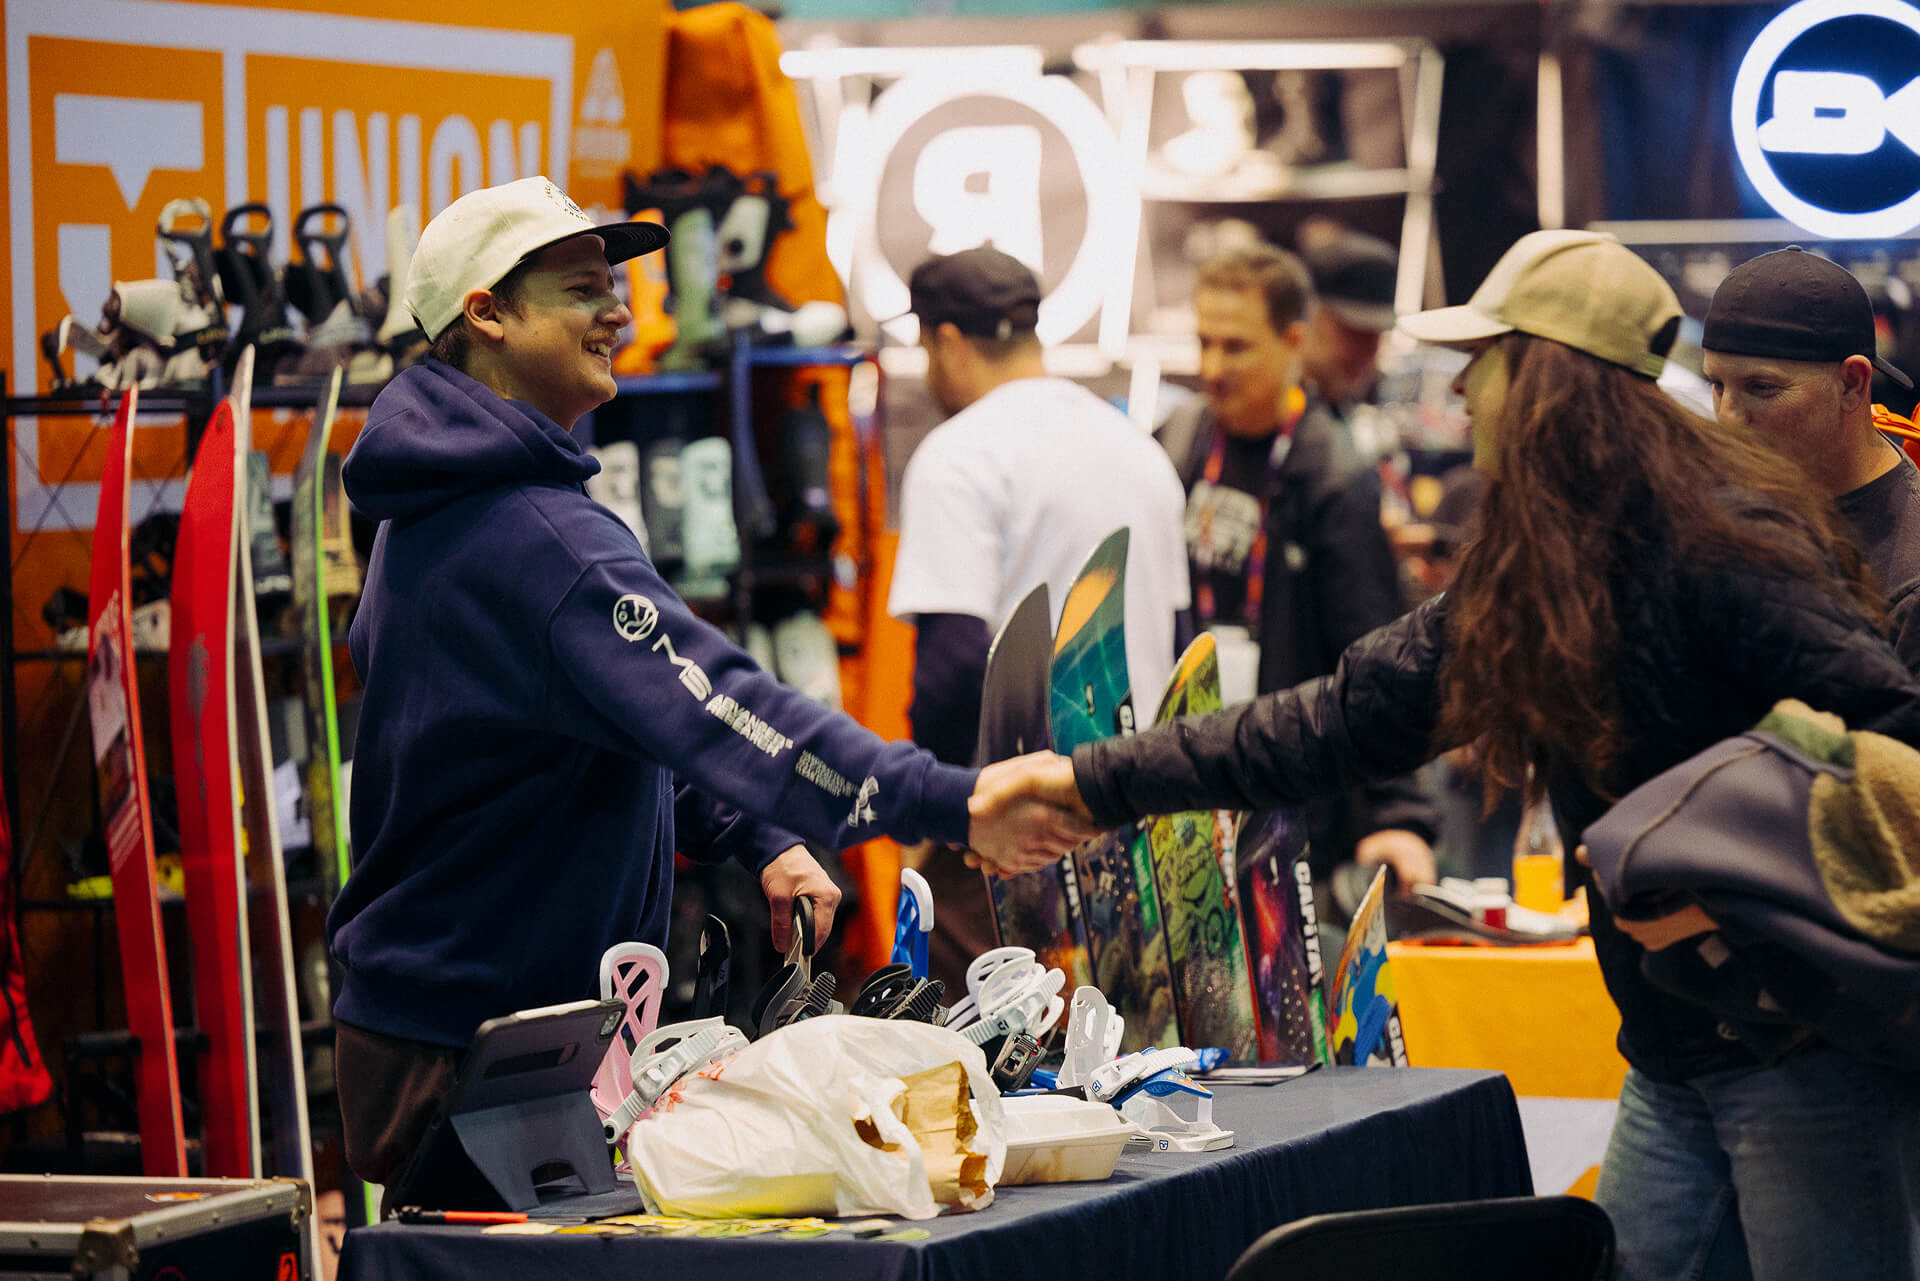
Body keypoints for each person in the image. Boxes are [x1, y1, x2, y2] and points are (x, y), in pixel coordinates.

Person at [982, 229, 1920, 1281]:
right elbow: (1344, 717)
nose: (1464, 390)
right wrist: (1090, 779)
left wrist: (1744, 889)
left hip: (1799, 1055)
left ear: (1553, 380)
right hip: (1673, 1052)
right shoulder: (1551, 554)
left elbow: (1891, 743)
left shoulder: (1720, 542)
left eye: (1486, 359)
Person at [327, 179, 1090, 1202]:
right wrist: (950, 801)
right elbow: (722, 707)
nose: (618, 313)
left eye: (614, 287)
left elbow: (627, 724)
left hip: (466, 1027)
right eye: (581, 290)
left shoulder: (447, 510)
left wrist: (761, 836)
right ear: (487, 313)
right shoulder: (533, 536)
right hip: (478, 1047)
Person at [887, 245, 1189, 985]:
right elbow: (1182, 643)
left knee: (985, 1043)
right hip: (1142, 812)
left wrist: (933, 813)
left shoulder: (960, 455)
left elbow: (955, 665)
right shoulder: (1138, 449)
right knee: (1119, 1039)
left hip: (1017, 828)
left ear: (946, 341)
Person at [1154, 242, 1437, 903]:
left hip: (1293, 807)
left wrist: (1400, 816)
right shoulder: (1180, 440)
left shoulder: (1332, 475)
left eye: (1235, 347)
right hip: (1184, 789)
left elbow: (1376, 650)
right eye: (1204, 343)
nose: (1212, 368)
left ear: (1292, 342)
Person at [1700, 247, 1920, 670]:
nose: (1728, 419)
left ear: (1852, 384)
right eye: (1717, 385)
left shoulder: (1909, 585)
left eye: (1761, 388)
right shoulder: (1729, 502)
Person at [1299, 227, 1398, 412]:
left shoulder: (1340, 405)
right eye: (1355, 331)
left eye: (1377, 333)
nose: (1369, 350)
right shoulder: (1275, 409)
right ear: (1311, 313)